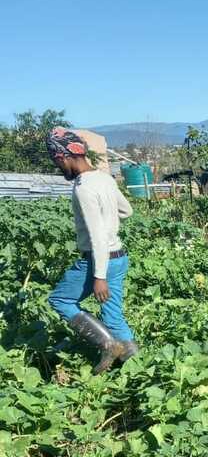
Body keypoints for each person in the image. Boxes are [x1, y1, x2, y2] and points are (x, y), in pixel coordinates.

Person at [45, 127, 139, 373]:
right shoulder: (105, 179)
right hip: (119, 256)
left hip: (100, 261)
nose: (58, 166)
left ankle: (108, 344)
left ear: (64, 156)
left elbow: (97, 237)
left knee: (60, 299)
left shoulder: (83, 187)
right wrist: (109, 220)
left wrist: (99, 277)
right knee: (113, 316)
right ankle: (138, 367)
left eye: (57, 161)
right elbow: (127, 210)